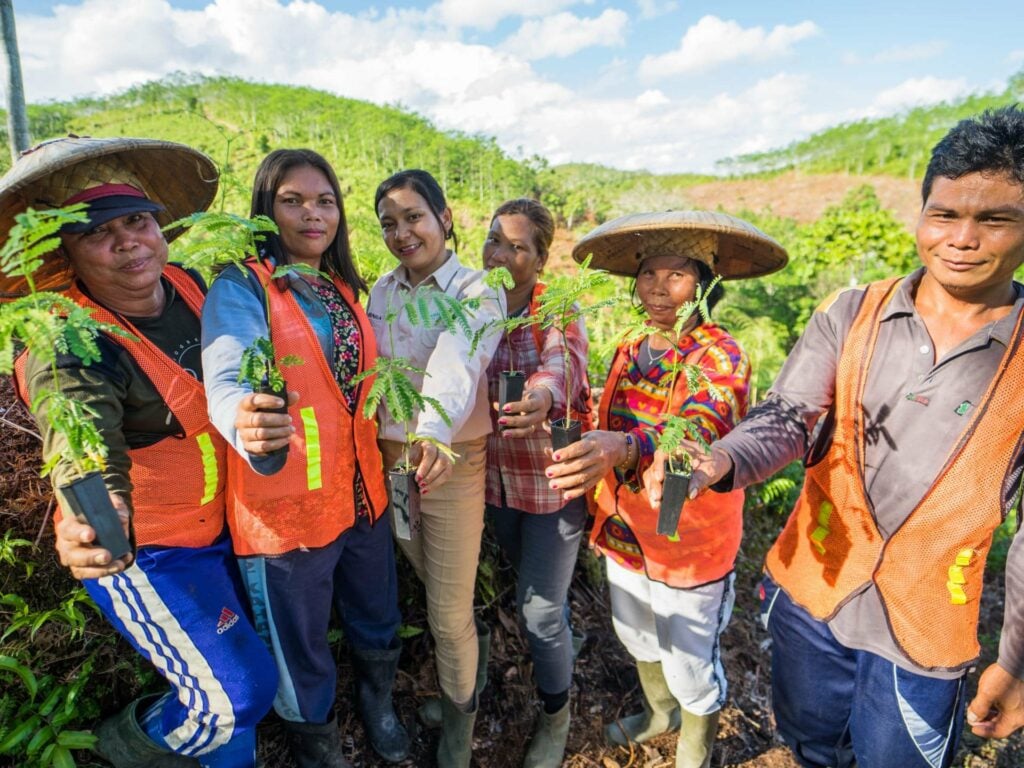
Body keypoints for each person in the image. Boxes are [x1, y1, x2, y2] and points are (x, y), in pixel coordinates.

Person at [646, 105, 1024, 768]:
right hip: (812, 594)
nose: (961, 238)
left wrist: (1017, 656)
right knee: (812, 742)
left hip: (925, 630)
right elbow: (789, 415)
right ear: (922, 214)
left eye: (995, 219)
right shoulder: (853, 313)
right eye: (944, 214)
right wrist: (720, 458)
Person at [2, 136, 277, 768]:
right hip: (155, 549)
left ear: (159, 226)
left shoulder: (189, 287)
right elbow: (77, 434)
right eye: (97, 232)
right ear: (63, 250)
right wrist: (95, 513)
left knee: (242, 678)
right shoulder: (66, 339)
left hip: (231, 523)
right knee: (233, 698)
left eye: (136, 220)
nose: (128, 241)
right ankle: (125, 748)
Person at [547, 210, 787, 768]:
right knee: (634, 633)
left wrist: (630, 447)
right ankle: (661, 712)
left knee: (689, 656)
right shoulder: (633, 345)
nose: (659, 288)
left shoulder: (720, 354)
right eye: (649, 274)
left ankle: (695, 745)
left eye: (676, 275)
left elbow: (700, 420)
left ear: (705, 285)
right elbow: (610, 414)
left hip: (689, 540)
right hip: (625, 527)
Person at [201, 149, 407, 768]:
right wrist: (244, 416)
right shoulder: (241, 285)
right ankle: (316, 745)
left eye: (325, 201)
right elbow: (229, 370)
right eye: (293, 201)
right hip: (285, 511)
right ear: (268, 209)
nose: (312, 214)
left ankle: (378, 703)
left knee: (376, 616)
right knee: (300, 646)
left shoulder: (345, 286)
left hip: (360, 494)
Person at [369, 169, 503, 768]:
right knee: (431, 586)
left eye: (414, 217)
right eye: (389, 224)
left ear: (445, 218)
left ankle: (459, 729)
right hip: (389, 463)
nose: (402, 233)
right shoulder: (382, 290)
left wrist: (432, 430)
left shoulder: (478, 288)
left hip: (448, 461)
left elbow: (459, 358)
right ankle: (466, 678)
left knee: (448, 613)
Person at [479, 198, 592, 767]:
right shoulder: (473, 300)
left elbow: (562, 361)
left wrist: (542, 397)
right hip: (495, 485)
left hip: (552, 484)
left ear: (540, 259)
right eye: (494, 239)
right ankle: (559, 653)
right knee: (533, 597)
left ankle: (556, 715)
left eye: (517, 246)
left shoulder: (555, 306)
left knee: (541, 610)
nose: (499, 254)